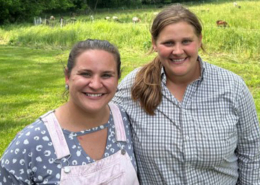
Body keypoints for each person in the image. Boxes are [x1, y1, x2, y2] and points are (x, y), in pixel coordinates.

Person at [113, 4, 260, 185]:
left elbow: (251, 152)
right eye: (168, 43)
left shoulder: (233, 87)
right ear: (154, 43)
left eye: (186, 41)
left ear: (199, 40)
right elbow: (97, 119)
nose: (178, 51)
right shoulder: (133, 87)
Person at [0, 39, 139, 185]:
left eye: (106, 75)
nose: (96, 84)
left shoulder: (124, 120)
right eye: (85, 74)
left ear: (118, 78)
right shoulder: (32, 141)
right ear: (67, 76)